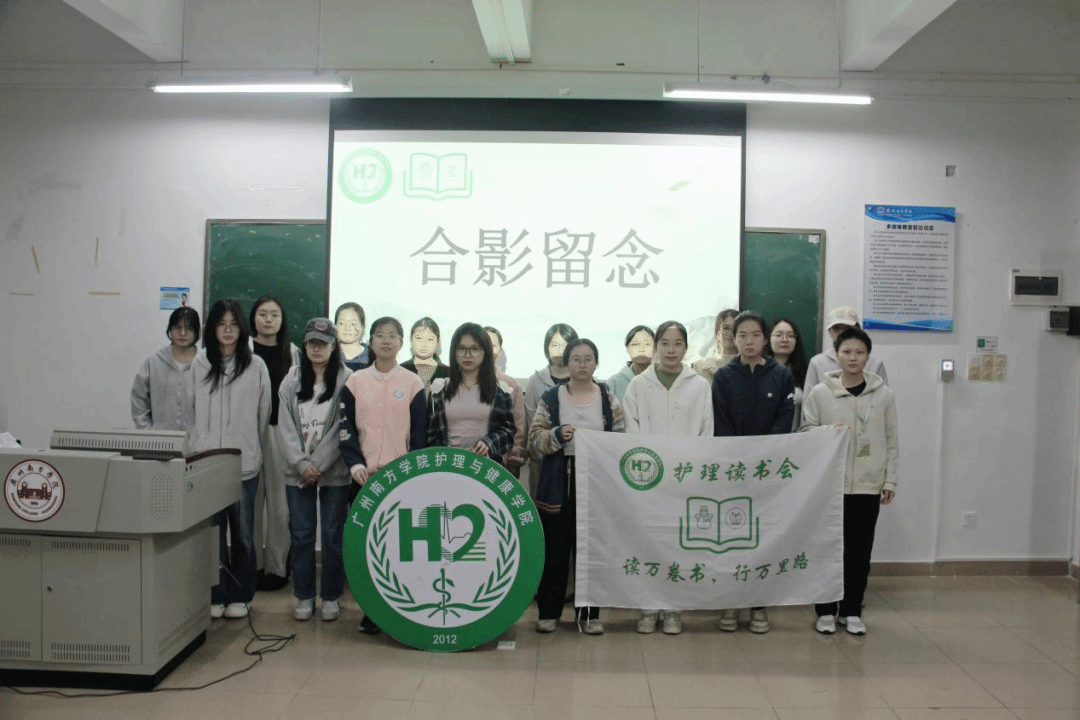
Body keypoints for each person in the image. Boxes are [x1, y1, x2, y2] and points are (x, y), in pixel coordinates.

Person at [802, 326, 898, 636]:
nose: (853, 358)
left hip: (868, 486)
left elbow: (891, 441)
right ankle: (825, 611)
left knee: (859, 554)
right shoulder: (820, 393)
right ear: (837, 355)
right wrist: (829, 432)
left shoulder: (883, 396)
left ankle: (852, 611)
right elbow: (805, 432)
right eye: (846, 352)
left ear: (868, 356)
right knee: (827, 551)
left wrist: (890, 481)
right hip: (830, 486)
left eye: (859, 352)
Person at [622, 320, 713, 635]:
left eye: (677, 344)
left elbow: (706, 433)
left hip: (685, 481)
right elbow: (631, 433)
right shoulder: (638, 385)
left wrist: (692, 472)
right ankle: (648, 608)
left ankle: (673, 609)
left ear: (686, 347)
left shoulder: (699, 385)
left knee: (678, 545)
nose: (671, 350)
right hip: (648, 481)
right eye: (665, 343)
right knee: (648, 543)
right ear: (656, 346)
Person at [339, 316, 429, 634]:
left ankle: (404, 609)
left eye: (393, 335)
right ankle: (372, 611)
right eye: (380, 335)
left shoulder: (413, 383)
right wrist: (356, 466)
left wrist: (408, 472)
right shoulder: (355, 382)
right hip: (363, 479)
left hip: (401, 479)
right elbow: (345, 430)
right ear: (371, 341)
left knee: (400, 547)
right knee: (369, 547)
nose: (386, 340)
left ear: (402, 342)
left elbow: (420, 436)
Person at [530, 339, 624, 635]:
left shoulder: (607, 397)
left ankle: (589, 616)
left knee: (591, 551)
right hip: (559, 480)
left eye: (588, 359)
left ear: (596, 363)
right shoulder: (551, 397)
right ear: (566, 363)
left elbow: (620, 439)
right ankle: (549, 613)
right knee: (555, 550)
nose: (582, 364)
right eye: (576, 359)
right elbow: (535, 438)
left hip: (595, 481)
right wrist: (557, 435)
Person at [713, 310, 795, 634]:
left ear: (765, 339)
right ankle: (731, 602)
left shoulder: (781, 375)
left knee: (762, 539)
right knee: (731, 538)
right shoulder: (723, 376)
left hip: (766, 471)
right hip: (732, 471)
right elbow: (720, 421)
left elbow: (784, 420)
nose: (749, 341)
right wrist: (737, 458)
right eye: (742, 335)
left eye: (756, 335)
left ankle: (758, 604)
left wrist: (762, 456)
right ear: (733, 339)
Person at [192, 299, 271, 620]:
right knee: (212, 535)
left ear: (242, 328)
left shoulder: (255, 366)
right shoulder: (199, 363)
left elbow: (263, 413)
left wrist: (250, 445)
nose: (227, 330)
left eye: (233, 324)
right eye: (221, 324)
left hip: (243, 464)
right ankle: (215, 594)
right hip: (207, 463)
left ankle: (240, 595)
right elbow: (190, 411)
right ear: (212, 329)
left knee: (243, 535)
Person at [277, 318, 351, 622]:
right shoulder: (291, 380)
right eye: (311, 343)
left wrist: (317, 464)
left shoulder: (347, 379)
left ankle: (331, 596)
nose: (316, 349)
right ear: (304, 346)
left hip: (333, 470)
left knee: (332, 536)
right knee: (302, 534)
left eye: (323, 344)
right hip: (297, 471)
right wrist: (302, 464)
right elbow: (284, 427)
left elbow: (342, 427)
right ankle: (304, 596)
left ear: (334, 347)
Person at [249, 295, 300, 592]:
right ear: (253, 318)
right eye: (263, 314)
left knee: (281, 507)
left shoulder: (292, 352)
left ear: (282, 320)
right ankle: (252, 566)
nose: (268, 320)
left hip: (281, 433)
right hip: (248, 434)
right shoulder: (243, 349)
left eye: (274, 315)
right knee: (251, 505)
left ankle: (278, 568)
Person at [428, 322, 517, 467]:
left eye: (475, 349)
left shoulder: (500, 391)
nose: (468, 355)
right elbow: (432, 436)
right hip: (447, 467)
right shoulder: (439, 390)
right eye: (462, 348)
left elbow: (508, 432)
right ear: (454, 352)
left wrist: (489, 443)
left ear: (485, 352)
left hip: (485, 468)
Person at [524, 324, 578, 495]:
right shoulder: (535, 381)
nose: (559, 350)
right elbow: (531, 422)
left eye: (564, 345)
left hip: (576, 461)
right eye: (554, 345)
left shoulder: (583, 379)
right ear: (546, 347)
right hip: (542, 462)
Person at [131, 306, 200, 431]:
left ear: (197, 332)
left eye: (189, 328)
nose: (182, 333)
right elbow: (139, 399)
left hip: (198, 440)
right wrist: (147, 432)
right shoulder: (154, 362)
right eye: (177, 328)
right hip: (161, 439)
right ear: (170, 330)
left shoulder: (206, 363)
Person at [804, 306, 889, 395]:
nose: (842, 333)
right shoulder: (817, 363)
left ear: (858, 329)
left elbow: (884, 398)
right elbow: (808, 400)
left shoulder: (875, 363)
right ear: (830, 332)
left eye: (847, 328)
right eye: (837, 328)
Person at [486, 326, 527, 479]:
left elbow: (519, 426)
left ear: (499, 350)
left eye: (493, 345)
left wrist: (514, 460)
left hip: (501, 465)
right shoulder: (461, 384)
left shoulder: (512, 385)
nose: (488, 349)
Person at [765, 317, 809, 431]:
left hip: (796, 436)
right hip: (763, 436)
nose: (784, 339)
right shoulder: (760, 370)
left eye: (790, 336)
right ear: (768, 339)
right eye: (779, 335)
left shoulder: (804, 371)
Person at [605, 325, 656, 403]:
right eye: (635, 345)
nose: (641, 349)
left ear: (656, 348)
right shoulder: (614, 383)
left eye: (647, 344)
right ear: (627, 348)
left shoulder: (666, 380)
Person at [401, 317, 450, 388]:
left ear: (438, 341)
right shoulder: (400, 371)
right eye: (419, 338)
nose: (424, 344)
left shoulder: (449, 373)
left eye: (430, 339)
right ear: (411, 339)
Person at [692, 308, 739, 382]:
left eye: (735, 329)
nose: (730, 333)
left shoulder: (750, 366)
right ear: (717, 331)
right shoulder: (699, 366)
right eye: (725, 328)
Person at [334, 302, 370, 371]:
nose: (347, 328)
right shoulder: (328, 354)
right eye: (341, 323)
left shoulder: (373, 355)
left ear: (362, 326)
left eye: (353, 324)